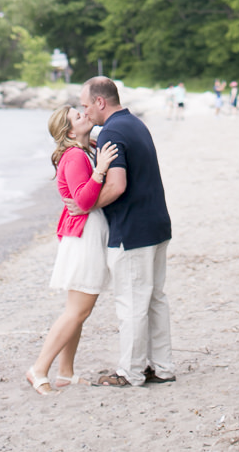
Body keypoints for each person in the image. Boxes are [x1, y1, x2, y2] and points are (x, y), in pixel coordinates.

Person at [72, 76, 174, 388]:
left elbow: (117, 185)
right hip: (156, 222)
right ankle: (163, 367)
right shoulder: (135, 124)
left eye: (86, 105)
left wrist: (87, 207)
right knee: (155, 298)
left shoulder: (111, 132)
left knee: (131, 303)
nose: (84, 111)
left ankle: (130, 372)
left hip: (132, 230)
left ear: (100, 102)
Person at [26, 105, 119, 394]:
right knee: (77, 311)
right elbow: (85, 200)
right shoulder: (76, 155)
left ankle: (65, 372)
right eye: (78, 117)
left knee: (78, 310)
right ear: (69, 131)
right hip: (84, 237)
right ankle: (39, 368)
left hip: (84, 234)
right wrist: (101, 169)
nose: (84, 114)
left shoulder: (84, 149)